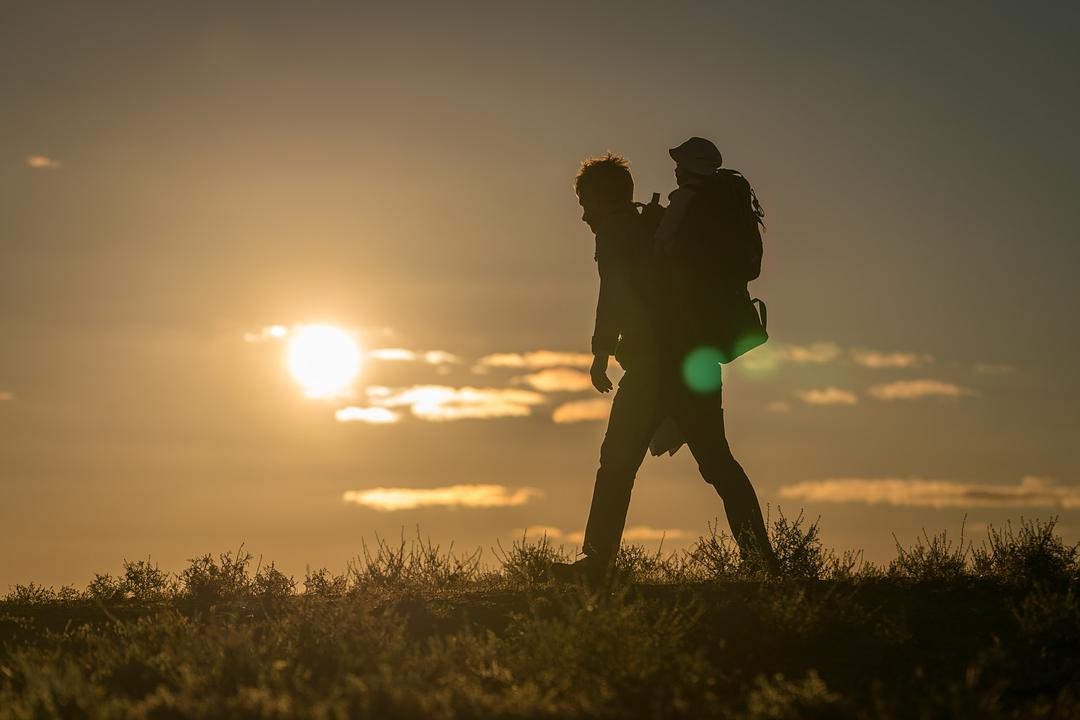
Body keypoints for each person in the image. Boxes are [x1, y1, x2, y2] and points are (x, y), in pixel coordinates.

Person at [551, 144, 779, 586]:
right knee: (717, 462)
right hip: (695, 360)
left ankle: (597, 565)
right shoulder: (656, 228)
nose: (583, 216)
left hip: (655, 366)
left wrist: (599, 352)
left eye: (585, 205)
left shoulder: (617, 230)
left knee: (616, 462)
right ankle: (763, 562)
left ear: (602, 198)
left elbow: (613, 293)